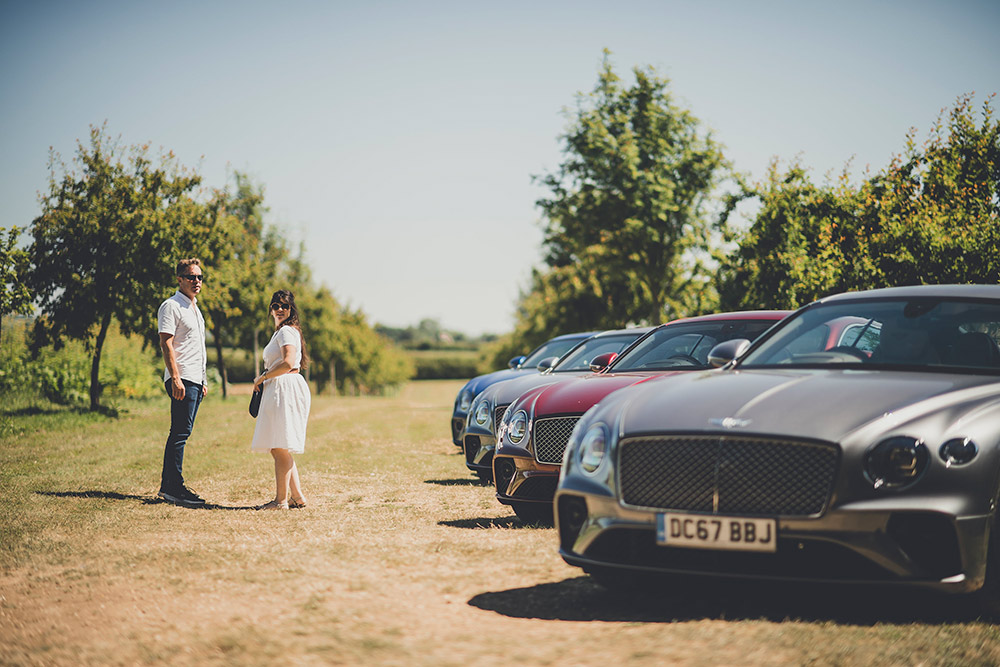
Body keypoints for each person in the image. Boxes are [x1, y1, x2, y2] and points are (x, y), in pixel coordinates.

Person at [250, 289, 312, 510]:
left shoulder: (286, 331)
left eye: (284, 306)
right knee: (280, 445)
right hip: (282, 387)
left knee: (279, 446)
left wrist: (262, 377)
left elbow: (287, 362)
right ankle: (296, 496)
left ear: (291, 309)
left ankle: (280, 501)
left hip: (285, 387)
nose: (279, 309)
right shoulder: (283, 332)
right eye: (275, 305)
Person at [157, 258, 208, 506]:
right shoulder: (171, 306)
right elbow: (166, 342)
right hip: (182, 378)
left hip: (195, 380)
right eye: (191, 277)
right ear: (179, 279)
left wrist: (204, 379)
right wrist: (176, 378)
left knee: (182, 432)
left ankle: (171, 485)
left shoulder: (195, 310)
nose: (196, 281)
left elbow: (197, 347)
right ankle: (173, 488)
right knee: (179, 433)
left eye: (199, 277)